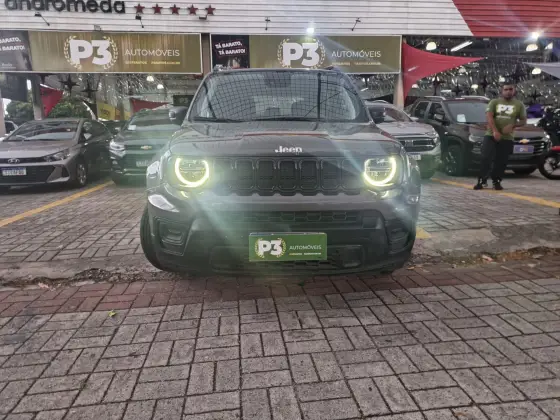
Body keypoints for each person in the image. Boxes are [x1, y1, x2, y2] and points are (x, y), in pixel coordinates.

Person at [474, 82, 527, 191]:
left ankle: (496, 181)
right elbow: (489, 117)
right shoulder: (494, 102)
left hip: (507, 137)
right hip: (491, 135)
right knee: (485, 157)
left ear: (514, 91)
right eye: (506, 89)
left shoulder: (519, 104)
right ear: (502, 91)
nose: (508, 92)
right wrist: (495, 131)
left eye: (510, 89)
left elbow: (523, 120)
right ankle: (482, 180)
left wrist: (513, 125)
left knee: (501, 160)